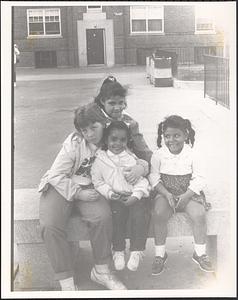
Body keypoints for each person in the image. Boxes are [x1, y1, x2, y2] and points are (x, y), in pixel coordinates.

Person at [38, 104, 127, 291]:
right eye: (84, 130)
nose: (89, 134)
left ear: (103, 122)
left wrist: (141, 166)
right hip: (61, 184)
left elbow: (136, 153)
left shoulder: (112, 136)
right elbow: (56, 175)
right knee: (50, 225)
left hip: (91, 186)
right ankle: (67, 283)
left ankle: (101, 271)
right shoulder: (75, 142)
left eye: (93, 127)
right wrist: (78, 193)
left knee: (102, 217)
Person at [149, 115, 214, 275]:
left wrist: (186, 196)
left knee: (199, 215)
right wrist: (167, 194)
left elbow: (200, 178)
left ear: (185, 135)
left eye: (177, 135)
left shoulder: (193, 154)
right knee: (158, 214)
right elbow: (154, 177)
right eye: (167, 136)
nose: (172, 140)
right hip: (166, 193)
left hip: (189, 192)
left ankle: (199, 253)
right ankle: (160, 255)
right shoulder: (158, 155)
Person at [91, 121, 151, 272]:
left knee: (139, 215)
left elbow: (142, 181)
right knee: (116, 218)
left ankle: (137, 251)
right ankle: (118, 250)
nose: (118, 143)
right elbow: (98, 182)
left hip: (135, 196)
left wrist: (136, 195)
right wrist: (110, 194)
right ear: (106, 140)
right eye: (113, 139)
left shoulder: (131, 158)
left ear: (127, 141)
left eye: (122, 140)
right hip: (115, 197)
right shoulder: (100, 160)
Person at [89, 75, 153, 164]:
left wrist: (135, 134)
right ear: (102, 101)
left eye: (121, 103)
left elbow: (144, 154)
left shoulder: (128, 120)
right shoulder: (93, 121)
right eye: (112, 103)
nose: (117, 108)